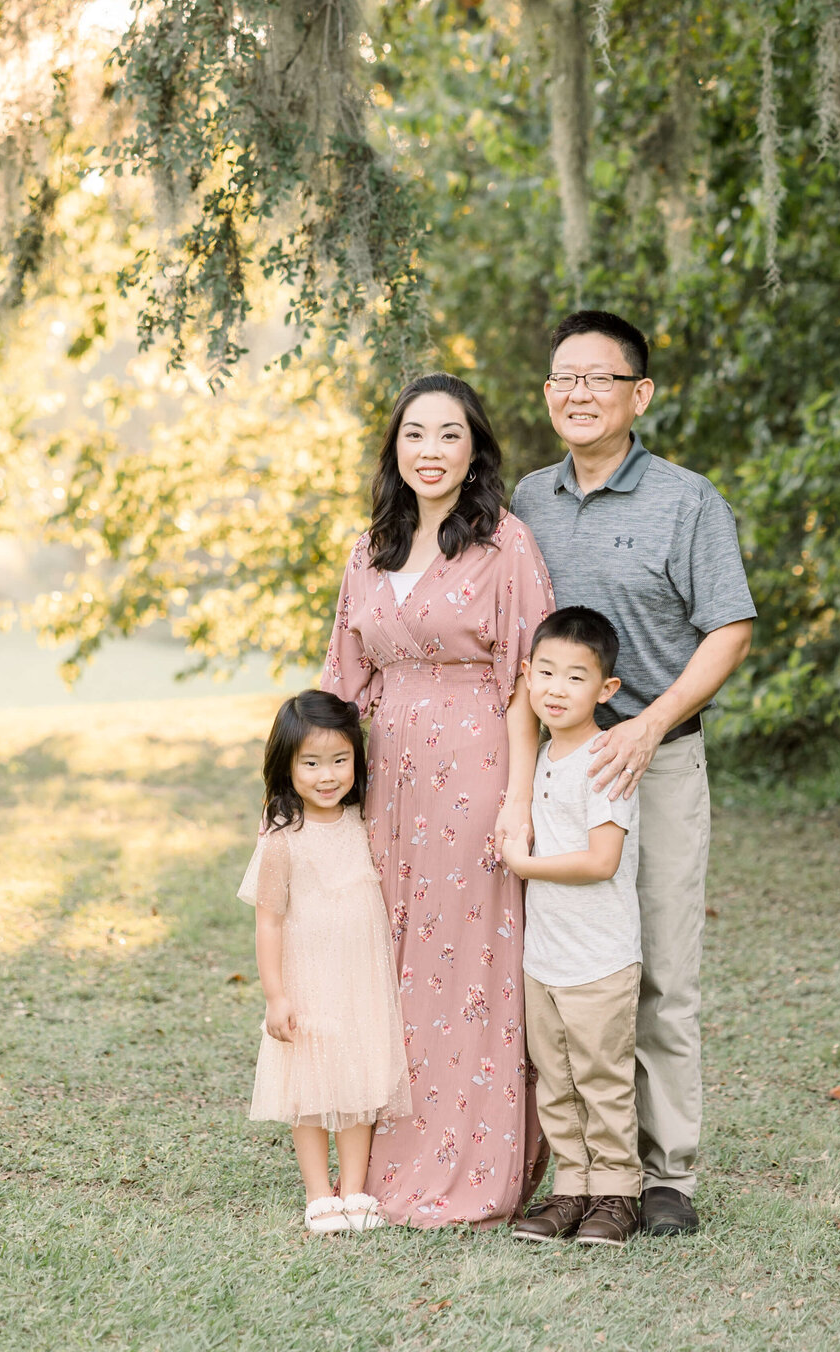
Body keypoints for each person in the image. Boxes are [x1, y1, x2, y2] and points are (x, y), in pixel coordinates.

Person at [510, 310, 757, 1237]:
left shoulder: (688, 501)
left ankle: (666, 1178)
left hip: (655, 760)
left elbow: (728, 625)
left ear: (638, 394)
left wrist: (650, 725)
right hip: (552, 772)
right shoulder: (526, 502)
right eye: (562, 378)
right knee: (554, 973)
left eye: (599, 378)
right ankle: (576, 1169)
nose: (577, 393)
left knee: (657, 969)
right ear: (547, 395)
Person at [321, 373, 554, 1227]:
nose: (430, 451)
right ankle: (373, 1167)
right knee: (384, 961)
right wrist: (317, 798)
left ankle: (468, 1170)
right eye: (414, 435)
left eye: (449, 435)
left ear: (475, 449)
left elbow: (529, 679)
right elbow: (343, 678)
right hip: (383, 782)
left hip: (475, 769)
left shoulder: (506, 543)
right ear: (395, 449)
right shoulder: (368, 548)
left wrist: (519, 797)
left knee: (464, 970)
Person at [237, 690, 410, 1236]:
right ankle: (319, 1194)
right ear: (287, 766)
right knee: (309, 1089)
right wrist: (275, 994)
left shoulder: (367, 821)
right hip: (308, 979)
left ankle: (355, 1189)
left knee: (359, 1085)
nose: (327, 775)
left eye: (339, 760)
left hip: (361, 979)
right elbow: (268, 919)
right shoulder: (283, 838)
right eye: (310, 763)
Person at [502, 606, 643, 1247]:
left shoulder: (605, 760)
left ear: (606, 689)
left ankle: (617, 1194)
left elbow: (601, 860)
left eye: (577, 678)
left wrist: (525, 864)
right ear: (528, 674)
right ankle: (573, 1190)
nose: (557, 690)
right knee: (555, 1083)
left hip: (600, 957)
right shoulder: (541, 756)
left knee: (602, 1080)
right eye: (547, 674)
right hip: (545, 958)